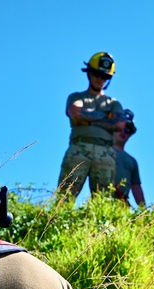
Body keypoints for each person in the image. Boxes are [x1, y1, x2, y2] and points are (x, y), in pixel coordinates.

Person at [57, 52, 129, 200]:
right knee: (64, 198)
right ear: (89, 73)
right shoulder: (76, 97)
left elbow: (120, 124)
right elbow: (76, 113)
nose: (100, 79)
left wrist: (88, 118)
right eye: (97, 74)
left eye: (105, 76)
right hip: (79, 148)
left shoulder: (114, 103)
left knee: (102, 201)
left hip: (106, 151)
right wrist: (107, 117)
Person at [112, 114, 145, 208]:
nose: (123, 131)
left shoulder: (132, 161)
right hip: (100, 199)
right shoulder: (102, 151)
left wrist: (144, 212)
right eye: (119, 127)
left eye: (128, 129)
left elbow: (136, 187)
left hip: (122, 204)